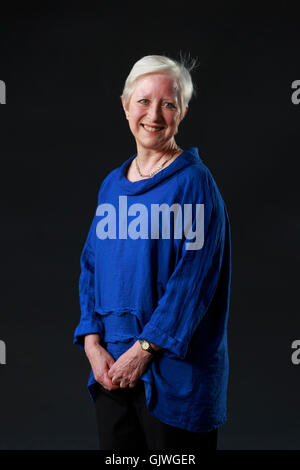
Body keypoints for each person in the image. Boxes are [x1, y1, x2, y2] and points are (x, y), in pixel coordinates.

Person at [73, 54, 231, 451]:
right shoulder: (112, 185)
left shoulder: (194, 183)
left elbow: (193, 283)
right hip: (110, 370)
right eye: (143, 101)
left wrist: (143, 351)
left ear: (183, 113)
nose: (154, 115)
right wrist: (92, 342)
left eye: (168, 104)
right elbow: (91, 265)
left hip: (175, 376)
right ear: (126, 106)